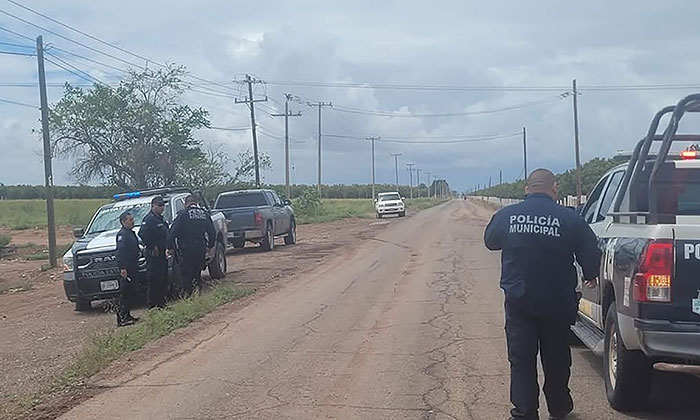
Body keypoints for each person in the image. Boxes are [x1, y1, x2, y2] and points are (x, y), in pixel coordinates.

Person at [483, 169, 600, 420]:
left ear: (527, 189)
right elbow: (591, 250)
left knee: (522, 360)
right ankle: (559, 407)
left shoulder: (508, 216)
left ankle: (525, 412)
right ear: (554, 189)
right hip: (557, 302)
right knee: (557, 358)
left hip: (519, 302)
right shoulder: (569, 218)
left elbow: (490, 241)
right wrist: (590, 273)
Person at [167, 195, 216, 296]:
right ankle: (198, 291)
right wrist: (210, 246)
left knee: (186, 273)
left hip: (187, 248)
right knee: (197, 272)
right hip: (201, 247)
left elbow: (173, 232)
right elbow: (212, 232)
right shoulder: (204, 214)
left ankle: (189, 295)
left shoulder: (182, 214)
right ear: (196, 202)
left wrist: (170, 247)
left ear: (186, 203)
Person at [139, 196, 169, 308]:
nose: (162, 208)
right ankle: (153, 305)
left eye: (163, 205)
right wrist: (152, 246)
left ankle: (161, 303)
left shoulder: (160, 219)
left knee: (163, 280)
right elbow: (142, 233)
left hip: (162, 254)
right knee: (155, 280)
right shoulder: (149, 219)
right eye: (159, 205)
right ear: (153, 206)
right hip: (154, 255)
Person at [115, 211, 141, 327]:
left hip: (133, 265)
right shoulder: (122, 235)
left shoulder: (131, 233)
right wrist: (122, 268)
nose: (132, 221)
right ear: (123, 222)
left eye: (132, 219)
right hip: (127, 267)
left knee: (132, 291)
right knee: (125, 293)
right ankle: (122, 318)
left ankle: (128, 314)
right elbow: (120, 252)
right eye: (130, 220)